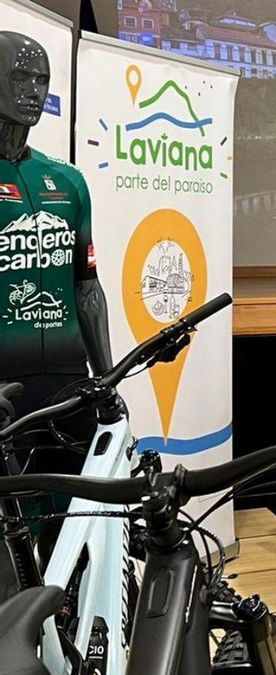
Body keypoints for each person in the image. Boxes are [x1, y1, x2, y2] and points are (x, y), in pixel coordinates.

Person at [0, 31, 113, 595]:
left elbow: (87, 287)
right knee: (10, 535)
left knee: (75, 523)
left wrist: (107, 373)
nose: (33, 92)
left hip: (69, 385)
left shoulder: (66, 180)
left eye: (41, 81)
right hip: (5, 390)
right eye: (21, 78)